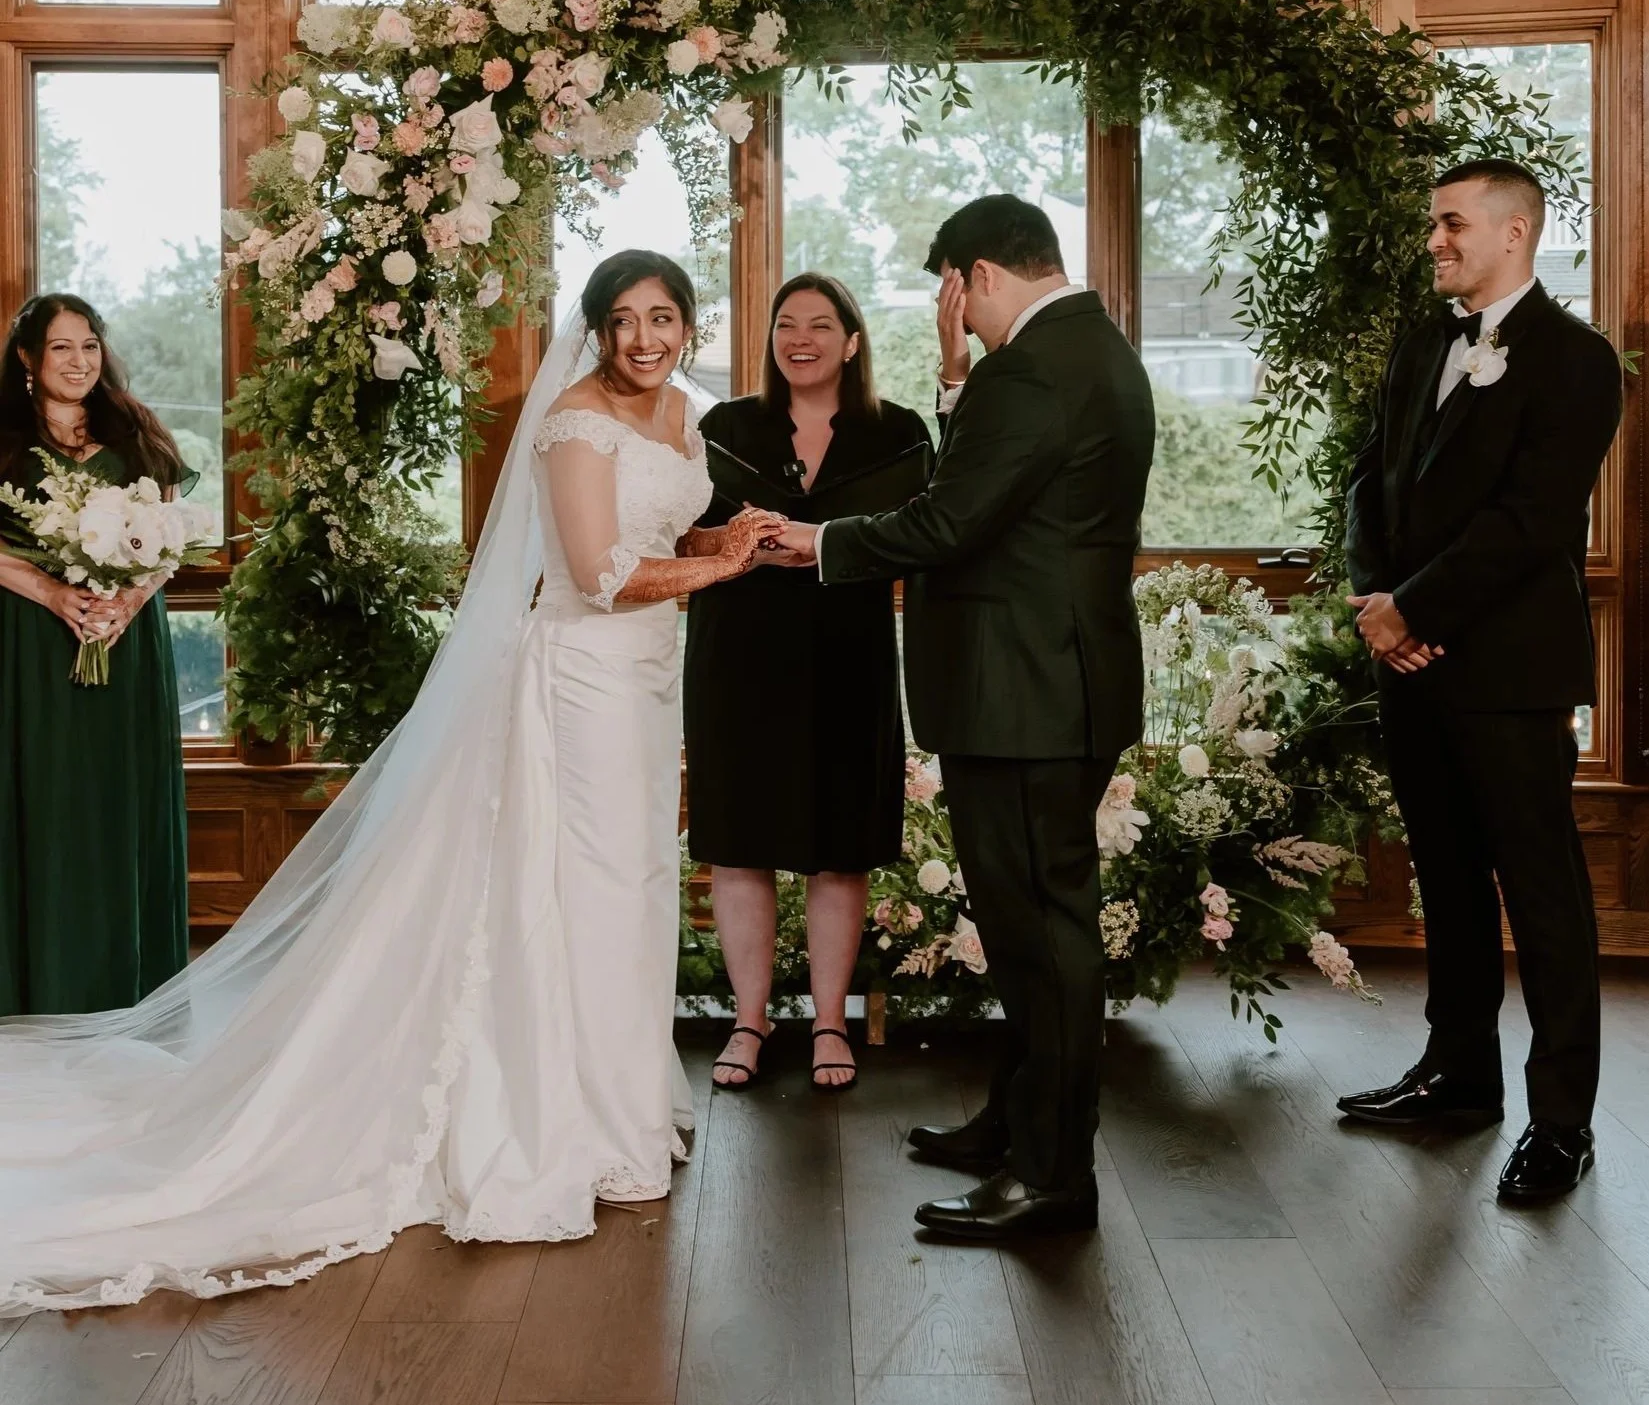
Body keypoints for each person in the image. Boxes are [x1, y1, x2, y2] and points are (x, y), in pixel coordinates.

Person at [0, 251, 785, 1314]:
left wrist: (720, 538)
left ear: (688, 325)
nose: (646, 338)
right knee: (581, 890)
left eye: (665, 317)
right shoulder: (571, 420)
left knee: (636, 887)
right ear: (595, 330)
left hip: (648, 685)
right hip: (578, 679)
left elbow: (654, 534)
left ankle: (620, 1107)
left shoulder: (683, 415)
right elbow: (599, 574)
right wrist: (725, 565)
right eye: (624, 319)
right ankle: (553, 1116)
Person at [776, 195, 1156, 1239]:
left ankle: (1051, 1176)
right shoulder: (1078, 351)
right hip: (1040, 682)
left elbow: (950, 518)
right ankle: (1020, 1119)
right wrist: (955, 377)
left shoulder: (1035, 366)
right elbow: (998, 486)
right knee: (1028, 926)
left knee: (1042, 936)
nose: (960, 314)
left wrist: (810, 543)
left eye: (953, 292)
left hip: (1027, 691)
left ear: (975, 275)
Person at [1341, 159, 1623, 1204]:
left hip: (1507, 671)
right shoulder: (1424, 344)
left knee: (1540, 894)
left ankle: (1560, 1121)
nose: (1433, 241)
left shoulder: (1576, 359)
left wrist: (1414, 608)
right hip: (1408, 660)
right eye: (1432, 225)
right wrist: (1379, 602)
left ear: (1513, 232)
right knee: (1445, 878)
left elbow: (1532, 519)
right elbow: (1365, 476)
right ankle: (1457, 1073)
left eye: (1450, 224)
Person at [685, 273, 931, 1093]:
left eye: (820, 325)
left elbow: (917, 536)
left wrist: (823, 539)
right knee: (740, 846)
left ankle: (831, 1020)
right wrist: (737, 538)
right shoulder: (723, 425)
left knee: (839, 849)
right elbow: (681, 532)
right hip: (739, 650)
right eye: (786, 324)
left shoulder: (899, 432)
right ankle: (747, 1022)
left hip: (849, 652)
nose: (801, 338)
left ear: (851, 341)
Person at [0, 293, 195, 1018]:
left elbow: (167, 537)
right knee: (43, 798)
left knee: (118, 798)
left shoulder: (135, 430)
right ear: (27, 357)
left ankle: (128, 986)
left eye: (89, 345)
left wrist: (126, 601)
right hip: (29, 647)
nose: (79, 361)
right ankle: (35, 982)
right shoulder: (5, 439)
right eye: (60, 348)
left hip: (124, 643)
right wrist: (52, 593)